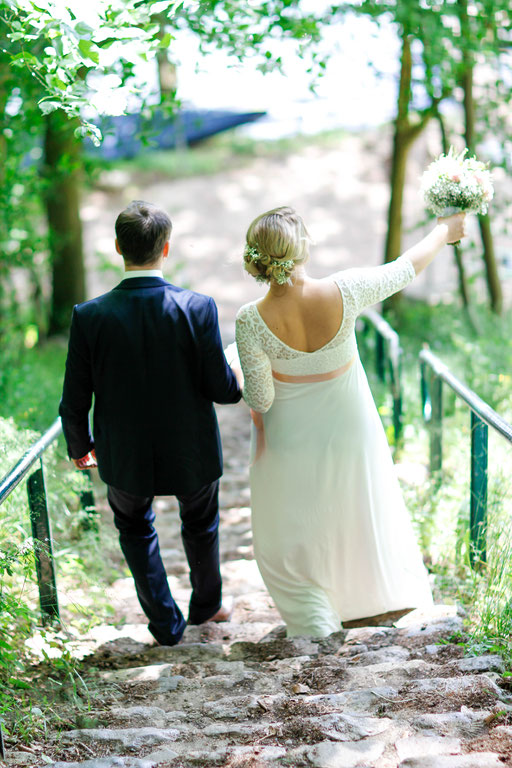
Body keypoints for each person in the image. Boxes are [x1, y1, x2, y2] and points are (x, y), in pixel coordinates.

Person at [235, 205, 466, 637]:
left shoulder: (250, 319)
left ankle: (319, 609)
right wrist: (444, 230)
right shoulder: (346, 289)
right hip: (349, 424)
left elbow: (262, 397)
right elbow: (404, 270)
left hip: (291, 434)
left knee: (304, 516)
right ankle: (372, 597)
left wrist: (241, 381)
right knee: (357, 503)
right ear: (302, 247)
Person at [59, 200, 242, 646]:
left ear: (118, 246)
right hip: (191, 447)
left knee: (135, 528)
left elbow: (74, 398)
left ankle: (164, 624)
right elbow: (222, 390)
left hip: (123, 453)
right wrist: (236, 379)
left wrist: (79, 446)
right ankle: (206, 606)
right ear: (166, 248)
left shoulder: (91, 315)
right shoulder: (197, 307)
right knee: (201, 523)